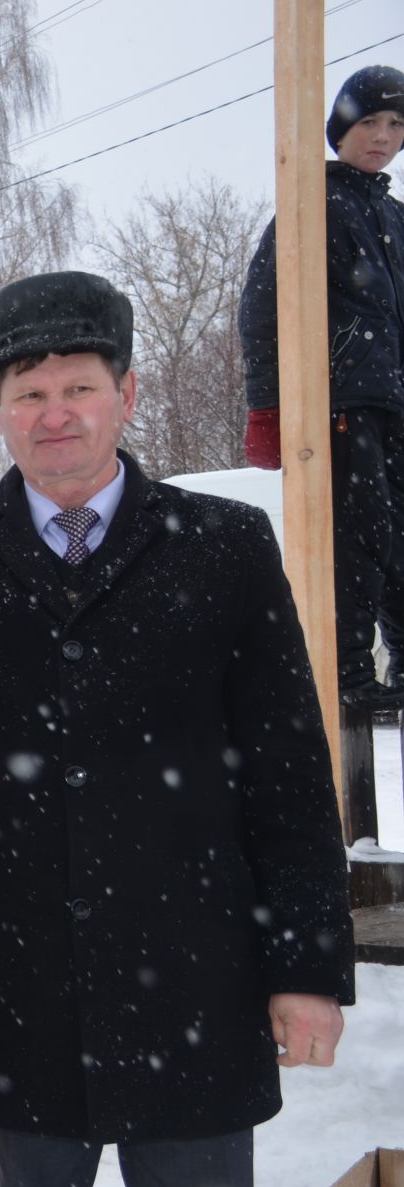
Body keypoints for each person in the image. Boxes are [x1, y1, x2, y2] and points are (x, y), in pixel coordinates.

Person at [0, 271, 354, 1187]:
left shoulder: (223, 548)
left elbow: (289, 773)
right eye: (28, 393)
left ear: (128, 394)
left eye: (79, 386)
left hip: (194, 979)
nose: (56, 415)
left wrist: (307, 967)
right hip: (21, 984)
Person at [238, 64, 404, 710]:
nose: (383, 135)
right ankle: (346, 675)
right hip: (339, 401)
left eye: (395, 124)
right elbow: (261, 307)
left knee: (399, 539)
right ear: (341, 129)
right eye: (369, 122)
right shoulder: (311, 203)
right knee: (357, 537)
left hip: (394, 402)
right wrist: (267, 406)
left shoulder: (393, 216)